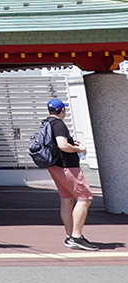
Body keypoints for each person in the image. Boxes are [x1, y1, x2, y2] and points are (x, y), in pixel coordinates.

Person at [43, 98, 99, 251]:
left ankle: (70, 236)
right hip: (68, 167)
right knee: (85, 198)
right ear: (62, 110)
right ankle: (76, 236)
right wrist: (79, 149)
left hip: (55, 167)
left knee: (66, 200)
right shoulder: (58, 124)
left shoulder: (46, 123)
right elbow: (62, 145)